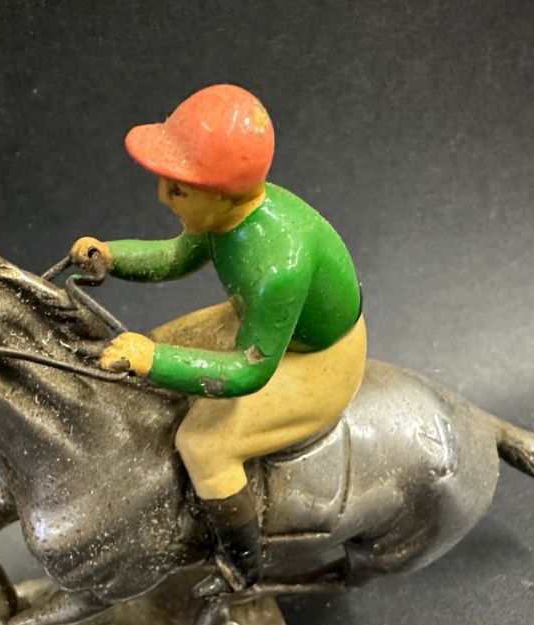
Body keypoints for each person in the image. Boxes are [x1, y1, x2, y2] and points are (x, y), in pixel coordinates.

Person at [69, 84, 366, 594]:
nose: (163, 196)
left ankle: (241, 565)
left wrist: (153, 360)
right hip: (259, 323)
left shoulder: (277, 267)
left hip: (314, 359)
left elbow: (249, 371)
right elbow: (175, 257)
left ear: (224, 193)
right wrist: (112, 257)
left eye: (178, 189)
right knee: (150, 348)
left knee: (204, 444)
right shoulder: (224, 213)